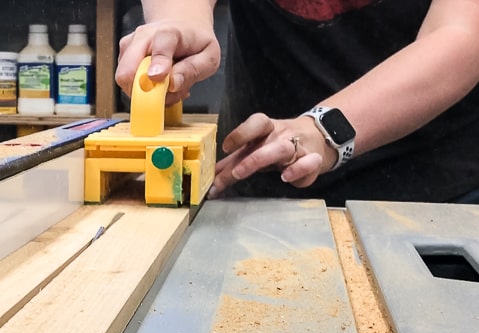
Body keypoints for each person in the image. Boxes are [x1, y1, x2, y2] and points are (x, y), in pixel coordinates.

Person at [115, 0, 479, 205]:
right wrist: (180, 23)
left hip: (434, 193)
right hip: (261, 178)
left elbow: (460, 35)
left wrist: (322, 130)